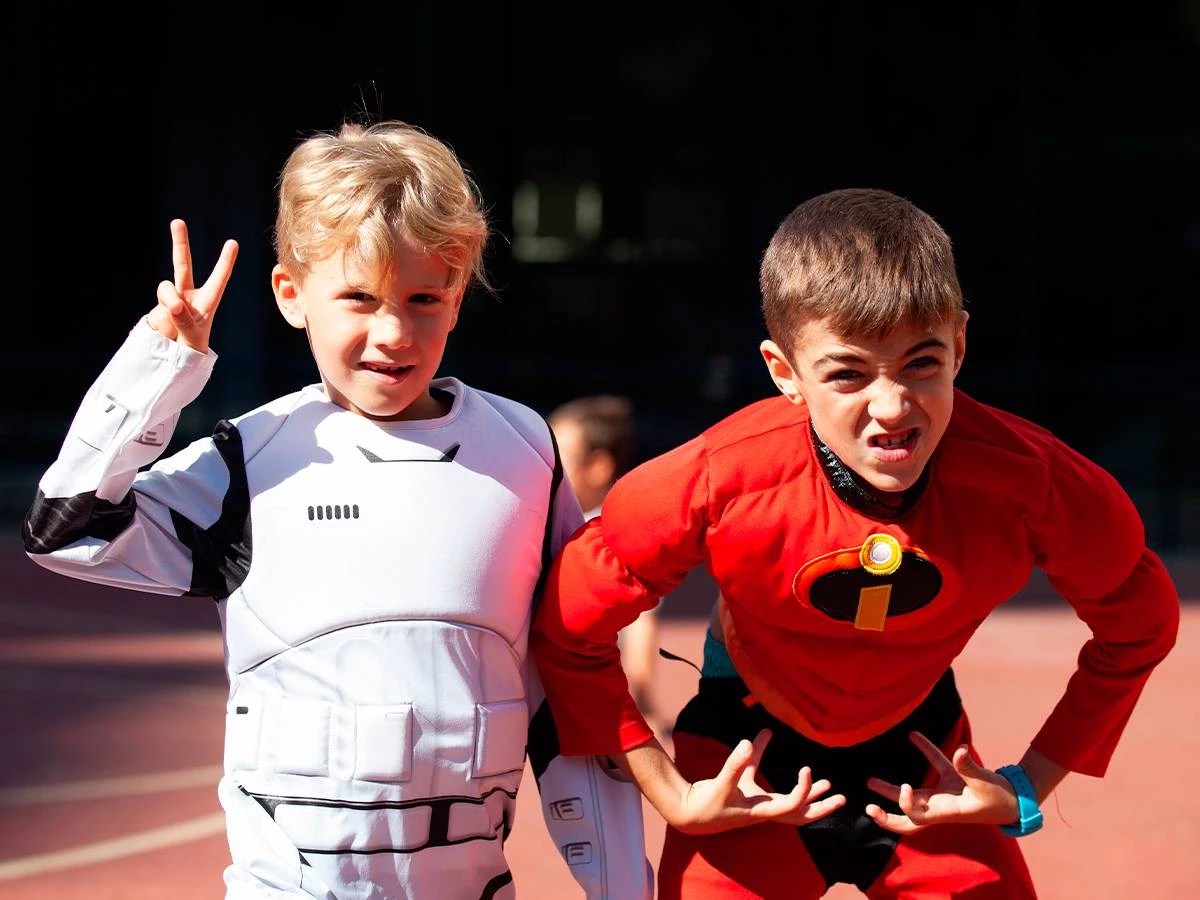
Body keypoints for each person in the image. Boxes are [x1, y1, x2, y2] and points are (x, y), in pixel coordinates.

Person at [22, 120, 651, 900]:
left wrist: (618, 882)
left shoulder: (523, 450)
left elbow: (568, 680)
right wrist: (162, 364)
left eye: (426, 297)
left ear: (459, 298)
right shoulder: (251, 457)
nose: (393, 332)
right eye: (358, 297)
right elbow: (66, 529)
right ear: (291, 294)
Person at [530, 187, 1181, 898]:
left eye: (922, 362)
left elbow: (1140, 623)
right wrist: (668, 790)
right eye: (846, 373)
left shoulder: (1035, 482)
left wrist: (1029, 785)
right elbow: (569, 625)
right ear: (785, 373)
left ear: (960, 345)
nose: (893, 407)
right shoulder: (716, 478)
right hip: (745, 758)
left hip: (928, 766)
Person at [548, 395, 663, 727]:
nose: (548, 463)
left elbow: (641, 620)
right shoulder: (546, 519)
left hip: (591, 694)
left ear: (597, 468)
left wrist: (639, 691)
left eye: (560, 455)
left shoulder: (617, 535)